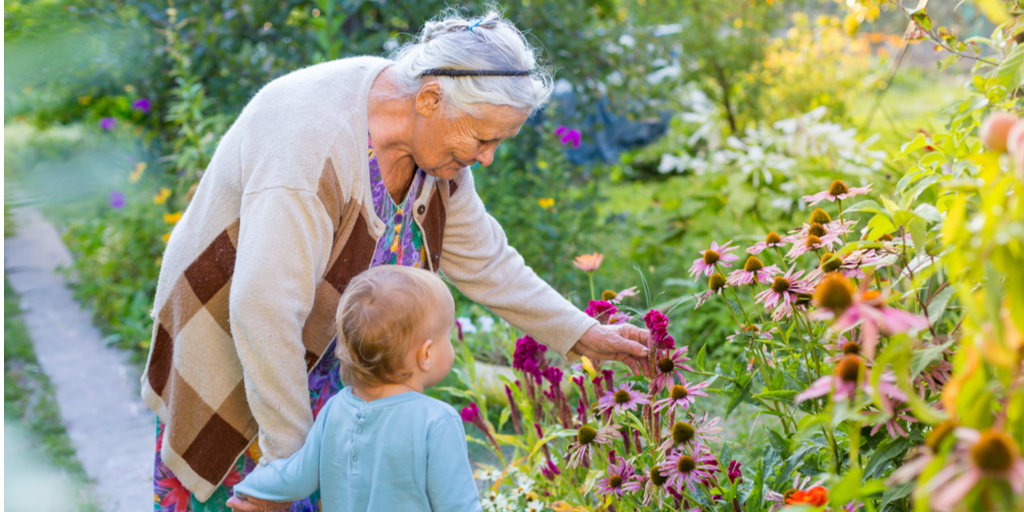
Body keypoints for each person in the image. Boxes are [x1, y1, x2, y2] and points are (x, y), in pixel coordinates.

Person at [144, 9, 649, 511]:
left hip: (333, 369)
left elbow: (488, 262)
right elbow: (263, 311)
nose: (488, 158)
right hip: (243, 356)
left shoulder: (432, 142)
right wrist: (285, 472)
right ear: (430, 99)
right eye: (484, 139)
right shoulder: (312, 143)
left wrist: (585, 335)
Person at [225, 266, 480, 512]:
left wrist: (248, 490)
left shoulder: (336, 409)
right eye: (447, 336)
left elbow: (295, 477)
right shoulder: (437, 422)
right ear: (426, 354)